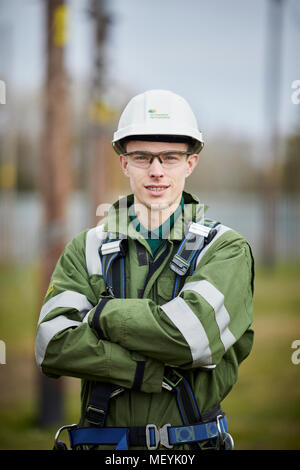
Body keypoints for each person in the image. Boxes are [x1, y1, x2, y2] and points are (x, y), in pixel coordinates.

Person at [35, 89, 254, 451]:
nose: (156, 171)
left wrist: (102, 315)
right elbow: (52, 345)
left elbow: (192, 338)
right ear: (123, 163)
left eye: (169, 157)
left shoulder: (226, 248)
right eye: (142, 157)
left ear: (190, 163)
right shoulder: (85, 247)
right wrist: (146, 371)